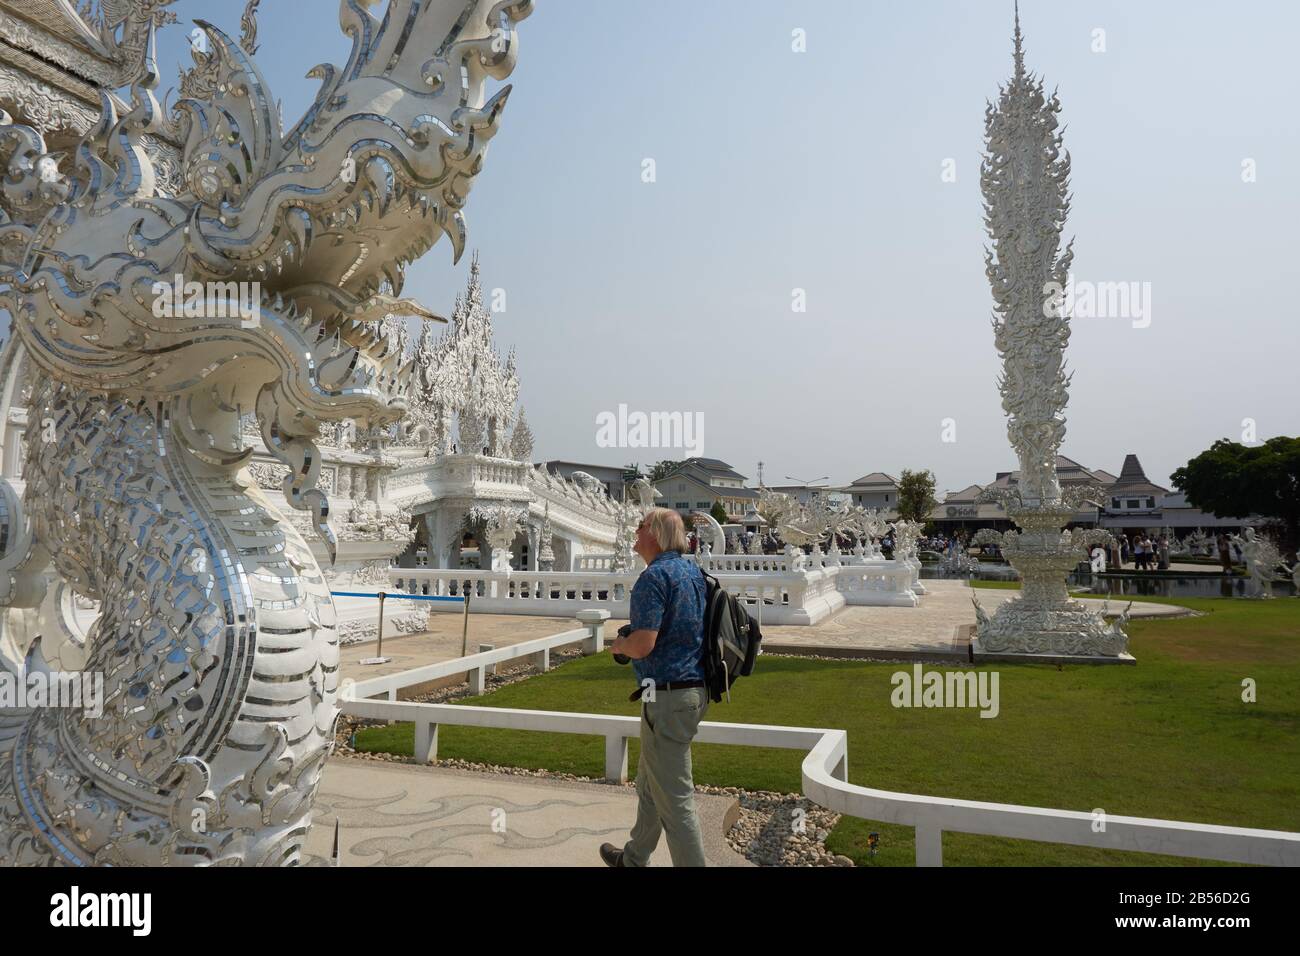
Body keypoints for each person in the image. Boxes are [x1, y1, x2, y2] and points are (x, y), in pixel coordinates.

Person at [601, 507, 710, 868]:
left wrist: (620, 646)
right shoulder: (692, 572)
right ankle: (633, 859)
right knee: (650, 786)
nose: (635, 530)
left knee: (676, 801)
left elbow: (644, 644)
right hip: (690, 691)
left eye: (641, 525)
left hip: (666, 697)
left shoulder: (654, 578)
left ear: (657, 533)